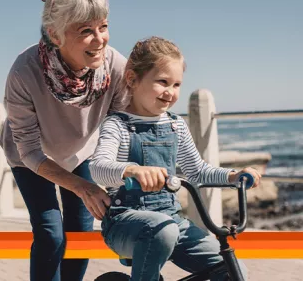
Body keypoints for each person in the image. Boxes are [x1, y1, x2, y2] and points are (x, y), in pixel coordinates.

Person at [89, 36, 262, 281]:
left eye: (177, 84)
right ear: (132, 79)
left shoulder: (175, 125)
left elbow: (197, 171)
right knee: (163, 231)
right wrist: (132, 170)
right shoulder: (118, 124)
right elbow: (99, 167)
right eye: (162, 82)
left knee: (233, 270)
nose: (170, 92)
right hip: (125, 221)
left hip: (172, 221)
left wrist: (232, 176)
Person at [0, 0, 129, 280]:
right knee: (51, 232)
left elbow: (119, 130)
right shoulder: (24, 71)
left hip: (81, 151)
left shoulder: (116, 66)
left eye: (103, 27)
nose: (99, 40)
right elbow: (30, 151)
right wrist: (83, 187)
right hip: (30, 157)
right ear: (55, 35)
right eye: (86, 31)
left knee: (81, 233)